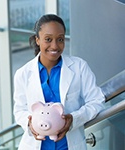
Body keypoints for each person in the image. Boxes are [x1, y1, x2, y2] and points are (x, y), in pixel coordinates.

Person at [13, 14, 105, 150]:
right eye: (48, 39)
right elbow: (19, 110)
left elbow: (97, 101)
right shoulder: (23, 74)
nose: (55, 46)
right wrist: (30, 124)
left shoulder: (79, 67)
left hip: (69, 145)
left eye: (60, 39)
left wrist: (73, 119)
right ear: (38, 40)